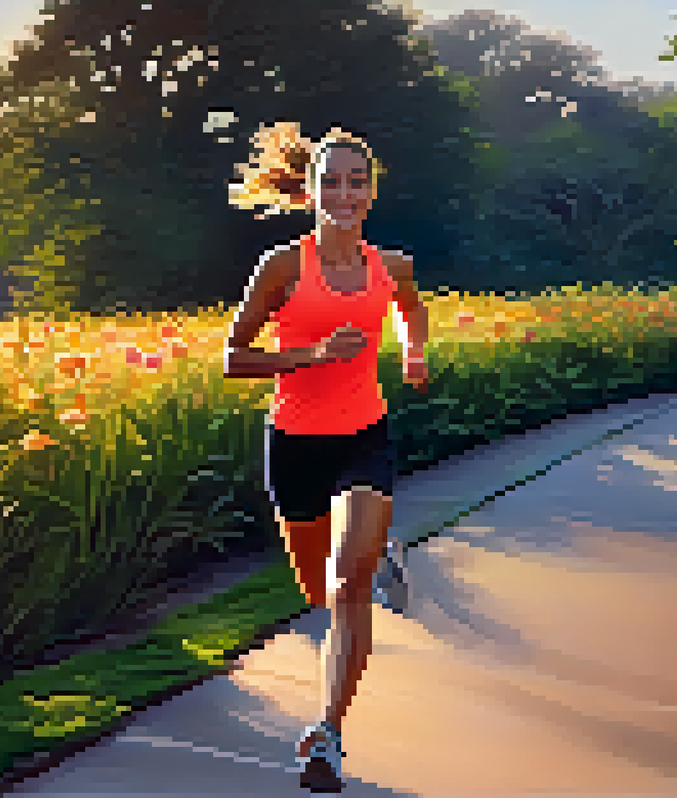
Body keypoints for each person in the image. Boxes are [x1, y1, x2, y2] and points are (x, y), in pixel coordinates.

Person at [223, 123, 429, 793]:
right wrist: (310, 356)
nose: (346, 192)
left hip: (364, 436)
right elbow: (235, 358)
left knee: (347, 584)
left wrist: (415, 352)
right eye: (331, 181)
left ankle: (326, 732)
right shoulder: (283, 266)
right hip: (294, 446)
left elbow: (410, 310)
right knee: (320, 593)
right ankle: (380, 553)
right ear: (309, 191)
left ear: (372, 191)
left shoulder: (391, 265)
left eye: (357, 181)